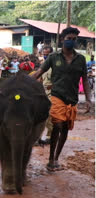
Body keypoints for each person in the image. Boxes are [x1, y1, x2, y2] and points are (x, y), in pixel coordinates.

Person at [32, 27, 92, 171]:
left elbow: (84, 80)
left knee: (65, 128)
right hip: (57, 96)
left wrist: (89, 99)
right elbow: (39, 72)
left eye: (74, 39)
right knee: (57, 125)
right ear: (62, 39)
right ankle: (51, 157)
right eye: (68, 38)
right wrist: (22, 82)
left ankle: (55, 159)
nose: (71, 41)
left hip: (72, 99)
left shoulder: (81, 59)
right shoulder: (53, 57)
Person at [37, 46, 54, 145]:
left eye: (47, 55)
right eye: (44, 54)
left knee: (49, 116)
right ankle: (38, 137)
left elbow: (59, 80)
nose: (45, 56)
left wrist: (51, 86)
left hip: (53, 94)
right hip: (43, 94)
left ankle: (49, 136)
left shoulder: (55, 67)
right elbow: (40, 79)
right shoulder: (43, 65)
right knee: (40, 115)